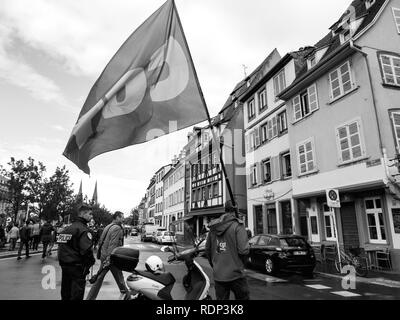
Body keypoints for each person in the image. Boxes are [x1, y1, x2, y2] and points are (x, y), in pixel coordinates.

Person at [205, 200, 250, 300]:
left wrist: (214, 265)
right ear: (236, 210)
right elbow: (244, 250)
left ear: (225, 210)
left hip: (219, 274)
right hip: (236, 274)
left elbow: (207, 249)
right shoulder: (238, 225)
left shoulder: (214, 227)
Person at [86, 211, 128, 300]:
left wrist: (104, 257)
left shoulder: (108, 226)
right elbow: (113, 245)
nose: (123, 219)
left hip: (104, 256)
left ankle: (90, 298)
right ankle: (127, 296)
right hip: (112, 258)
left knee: (99, 278)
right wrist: (109, 259)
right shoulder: (117, 228)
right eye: (122, 217)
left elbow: (101, 241)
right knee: (120, 279)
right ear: (117, 217)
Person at [57, 204, 95, 300]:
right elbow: (86, 251)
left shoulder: (66, 229)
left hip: (65, 265)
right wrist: (90, 262)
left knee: (66, 292)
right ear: (83, 214)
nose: (91, 216)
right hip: (77, 267)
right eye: (90, 214)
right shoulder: (84, 230)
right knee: (76, 294)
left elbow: (60, 247)